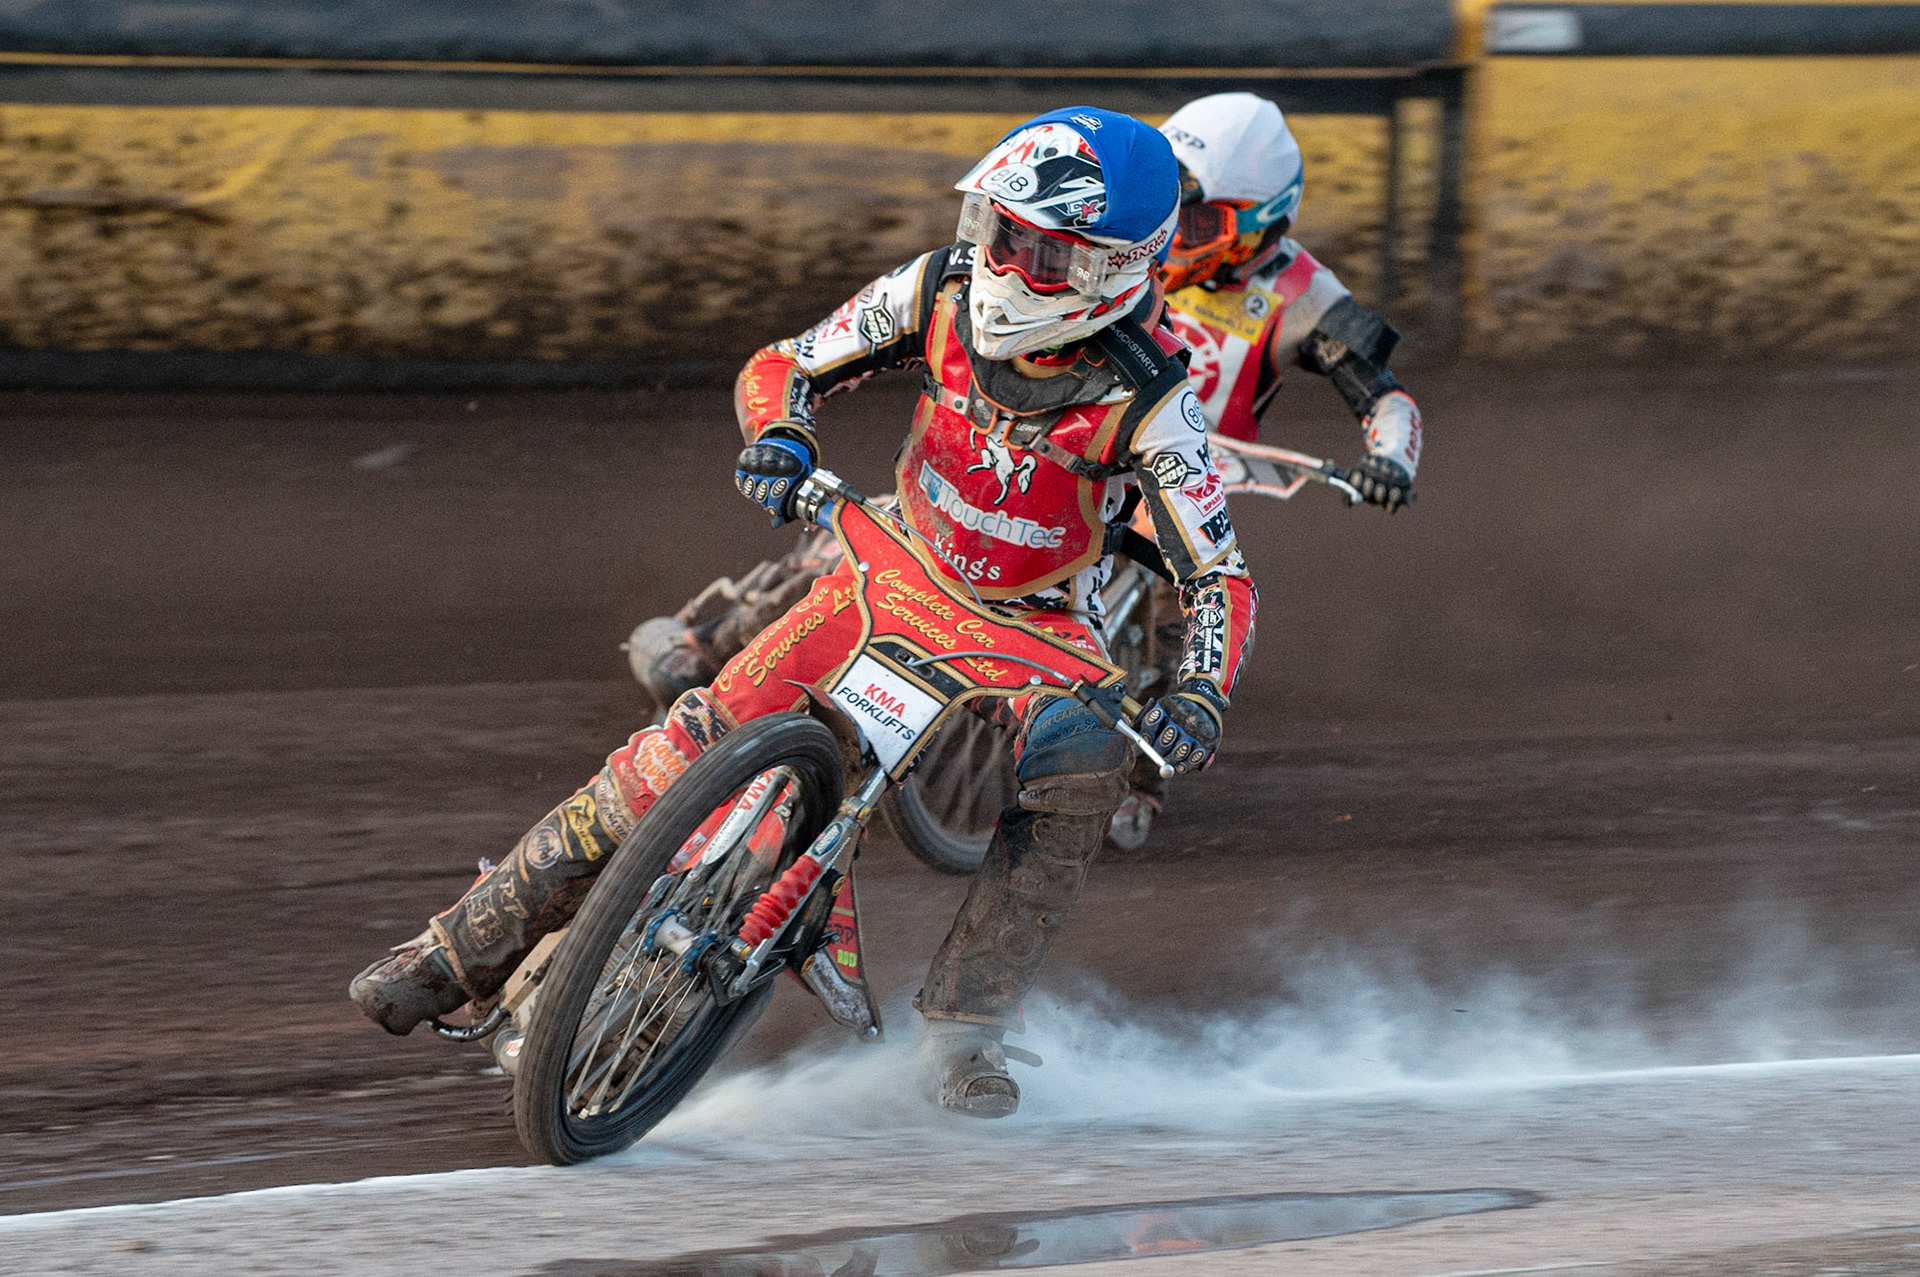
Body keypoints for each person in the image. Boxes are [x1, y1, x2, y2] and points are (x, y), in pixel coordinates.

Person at [350, 106, 1258, 1118]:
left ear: (1115, 268)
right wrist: (779, 432)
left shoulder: (1157, 403)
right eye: (1001, 231)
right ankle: (452, 951)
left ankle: (967, 1026)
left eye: (1046, 252)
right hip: (894, 564)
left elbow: (1218, 574)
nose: (1007, 265)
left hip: (1035, 624)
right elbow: (786, 360)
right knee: (681, 748)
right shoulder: (937, 287)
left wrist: (1201, 694)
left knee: (1082, 767)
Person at [625, 92, 1422, 837]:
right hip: (1058, 435)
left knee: (1178, 615)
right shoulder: (1111, 245)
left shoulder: (1309, 299)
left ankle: (1138, 780)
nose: (1179, 236)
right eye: (1178, 207)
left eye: (1205, 219)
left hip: (1172, 469)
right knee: (886, 529)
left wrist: (1390, 456)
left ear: (1264, 223)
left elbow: (1387, 396)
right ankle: (723, 636)